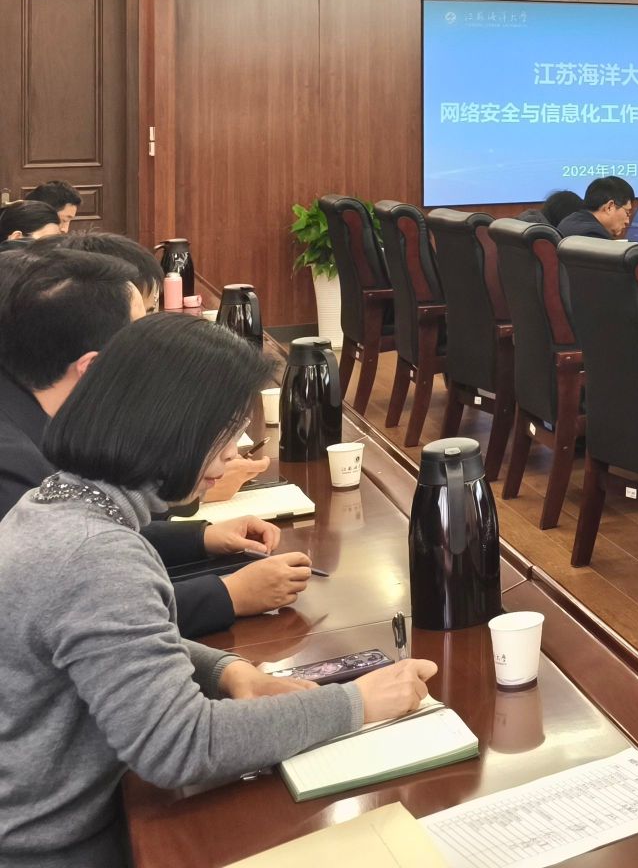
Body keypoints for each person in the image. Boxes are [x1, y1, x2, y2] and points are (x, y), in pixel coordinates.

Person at [0, 315, 436, 867]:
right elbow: (181, 745)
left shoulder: (56, 503)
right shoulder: (96, 555)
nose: (232, 455)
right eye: (224, 434)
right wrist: (358, 703)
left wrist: (228, 672)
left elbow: (117, 650)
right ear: (169, 427)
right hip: (54, 847)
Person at [0, 248, 309, 635]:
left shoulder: (34, 414)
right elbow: (92, 606)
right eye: (141, 332)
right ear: (95, 366)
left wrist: (201, 538)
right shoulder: (13, 463)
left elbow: (104, 524)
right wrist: (227, 594)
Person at [553, 176, 634, 241]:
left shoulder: (569, 220)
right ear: (609, 207)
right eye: (627, 213)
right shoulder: (594, 235)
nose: (627, 221)